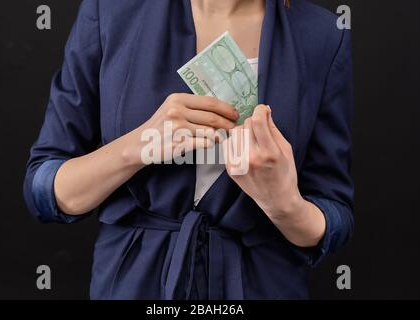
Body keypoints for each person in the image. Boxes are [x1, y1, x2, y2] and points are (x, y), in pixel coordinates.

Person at [24, 0, 354, 299]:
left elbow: (335, 216)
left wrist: (283, 203)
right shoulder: (111, 10)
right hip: (133, 283)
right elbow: (44, 189)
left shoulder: (322, 35)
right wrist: (137, 147)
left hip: (262, 284)